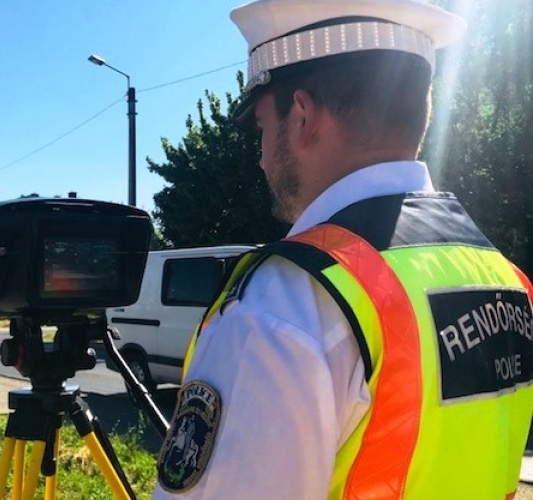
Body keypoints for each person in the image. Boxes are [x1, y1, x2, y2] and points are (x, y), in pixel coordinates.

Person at [151, 0, 533, 499]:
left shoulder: (282, 306)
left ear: (302, 116)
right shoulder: (506, 279)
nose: (261, 159)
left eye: (262, 128)